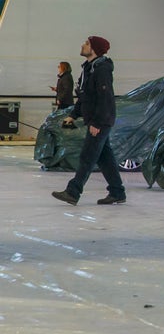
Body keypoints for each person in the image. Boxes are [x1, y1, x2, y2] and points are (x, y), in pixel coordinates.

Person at [51, 36, 126, 206]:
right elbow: (86, 96)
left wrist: (97, 123)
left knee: (87, 156)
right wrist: (74, 114)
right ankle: (117, 192)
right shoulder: (89, 68)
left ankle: (73, 192)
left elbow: (105, 98)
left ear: (94, 49)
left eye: (87, 44)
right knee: (104, 157)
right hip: (95, 119)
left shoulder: (101, 69)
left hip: (100, 121)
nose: (83, 45)